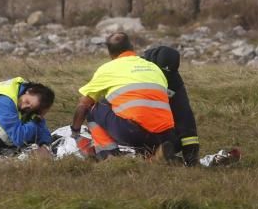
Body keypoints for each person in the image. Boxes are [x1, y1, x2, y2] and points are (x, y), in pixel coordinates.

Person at [70, 32, 184, 162]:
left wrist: (75, 131)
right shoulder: (154, 67)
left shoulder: (108, 68)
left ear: (110, 53)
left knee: (93, 108)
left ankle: (109, 156)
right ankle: (153, 157)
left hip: (134, 132)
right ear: (132, 47)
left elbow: (83, 104)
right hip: (167, 134)